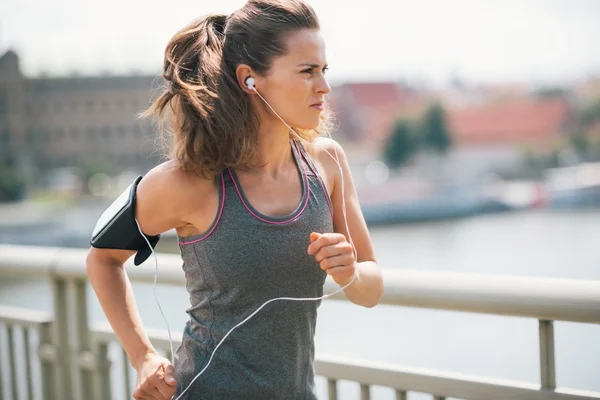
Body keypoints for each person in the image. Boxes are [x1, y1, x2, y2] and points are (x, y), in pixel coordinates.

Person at [85, 0, 384, 399]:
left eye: (324, 70)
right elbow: (103, 258)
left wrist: (350, 273)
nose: (324, 86)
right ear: (249, 79)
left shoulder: (327, 163)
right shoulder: (189, 180)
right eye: (307, 71)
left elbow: (371, 289)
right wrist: (142, 355)